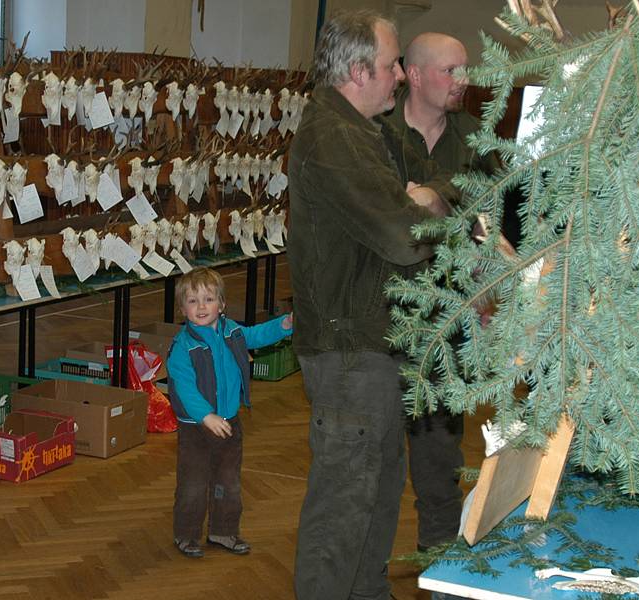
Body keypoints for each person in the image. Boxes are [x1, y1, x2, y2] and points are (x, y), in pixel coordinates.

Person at [287, 10, 457, 600]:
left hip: (376, 345)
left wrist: (428, 201)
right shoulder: (333, 138)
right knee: (342, 510)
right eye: (391, 68)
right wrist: (427, 210)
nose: (399, 79)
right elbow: (402, 238)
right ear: (359, 71)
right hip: (348, 351)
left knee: (378, 496)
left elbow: (434, 191)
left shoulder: (365, 132)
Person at [381, 32, 500, 551]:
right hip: (377, 324)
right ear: (415, 72)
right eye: (452, 70)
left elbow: (492, 228)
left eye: (465, 69)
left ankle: (439, 576)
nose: (463, 80)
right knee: (373, 472)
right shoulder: (373, 135)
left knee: (438, 472)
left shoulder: (478, 141)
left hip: (447, 331)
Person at [166, 266, 293, 559]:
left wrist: (283, 325)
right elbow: (184, 389)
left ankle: (223, 531)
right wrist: (206, 416)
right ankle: (186, 534)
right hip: (196, 428)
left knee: (229, 482)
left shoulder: (232, 331)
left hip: (229, 422)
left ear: (222, 305)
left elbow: (257, 334)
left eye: (208, 299)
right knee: (193, 485)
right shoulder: (182, 348)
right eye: (192, 301)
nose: (201, 307)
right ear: (182, 308)